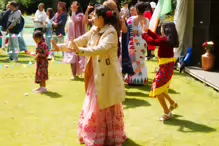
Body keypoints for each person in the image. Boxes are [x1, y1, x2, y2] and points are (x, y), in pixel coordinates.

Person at [51, 5, 127, 145]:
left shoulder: (111, 33)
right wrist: (60, 47)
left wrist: (79, 50)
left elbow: (99, 49)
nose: (91, 18)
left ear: (101, 18)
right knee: (96, 105)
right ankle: (97, 134)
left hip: (108, 75)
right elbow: (78, 41)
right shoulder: (94, 30)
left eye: (94, 16)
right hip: (96, 73)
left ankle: (108, 135)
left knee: (106, 105)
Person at [142, 22, 179, 121]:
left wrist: (143, 34)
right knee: (160, 88)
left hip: (166, 68)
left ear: (166, 30)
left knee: (157, 89)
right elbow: (157, 37)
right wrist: (148, 31)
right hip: (166, 67)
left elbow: (152, 41)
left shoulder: (164, 40)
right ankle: (172, 103)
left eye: (161, 28)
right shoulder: (167, 40)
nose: (160, 30)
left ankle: (167, 113)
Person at [124, 2, 149, 85]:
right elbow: (146, 31)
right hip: (143, 42)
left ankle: (132, 79)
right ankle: (142, 79)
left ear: (137, 10)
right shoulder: (146, 20)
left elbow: (130, 32)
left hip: (133, 42)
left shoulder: (132, 19)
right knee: (141, 60)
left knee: (133, 61)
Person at [63, 1, 87, 80]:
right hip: (70, 39)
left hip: (77, 39)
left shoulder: (80, 15)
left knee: (75, 56)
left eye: (74, 5)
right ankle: (73, 73)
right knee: (70, 56)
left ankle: (74, 74)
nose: (72, 5)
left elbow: (75, 20)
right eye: (72, 4)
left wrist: (73, 11)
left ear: (78, 7)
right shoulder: (71, 16)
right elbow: (68, 26)